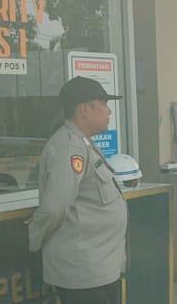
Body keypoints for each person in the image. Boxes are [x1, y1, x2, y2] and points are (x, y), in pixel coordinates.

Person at [28, 76, 128, 304]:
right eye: (104, 104)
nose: (109, 111)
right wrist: (35, 235)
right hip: (83, 274)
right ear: (85, 109)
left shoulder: (82, 143)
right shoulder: (69, 146)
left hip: (99, 268)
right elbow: (55, 207)